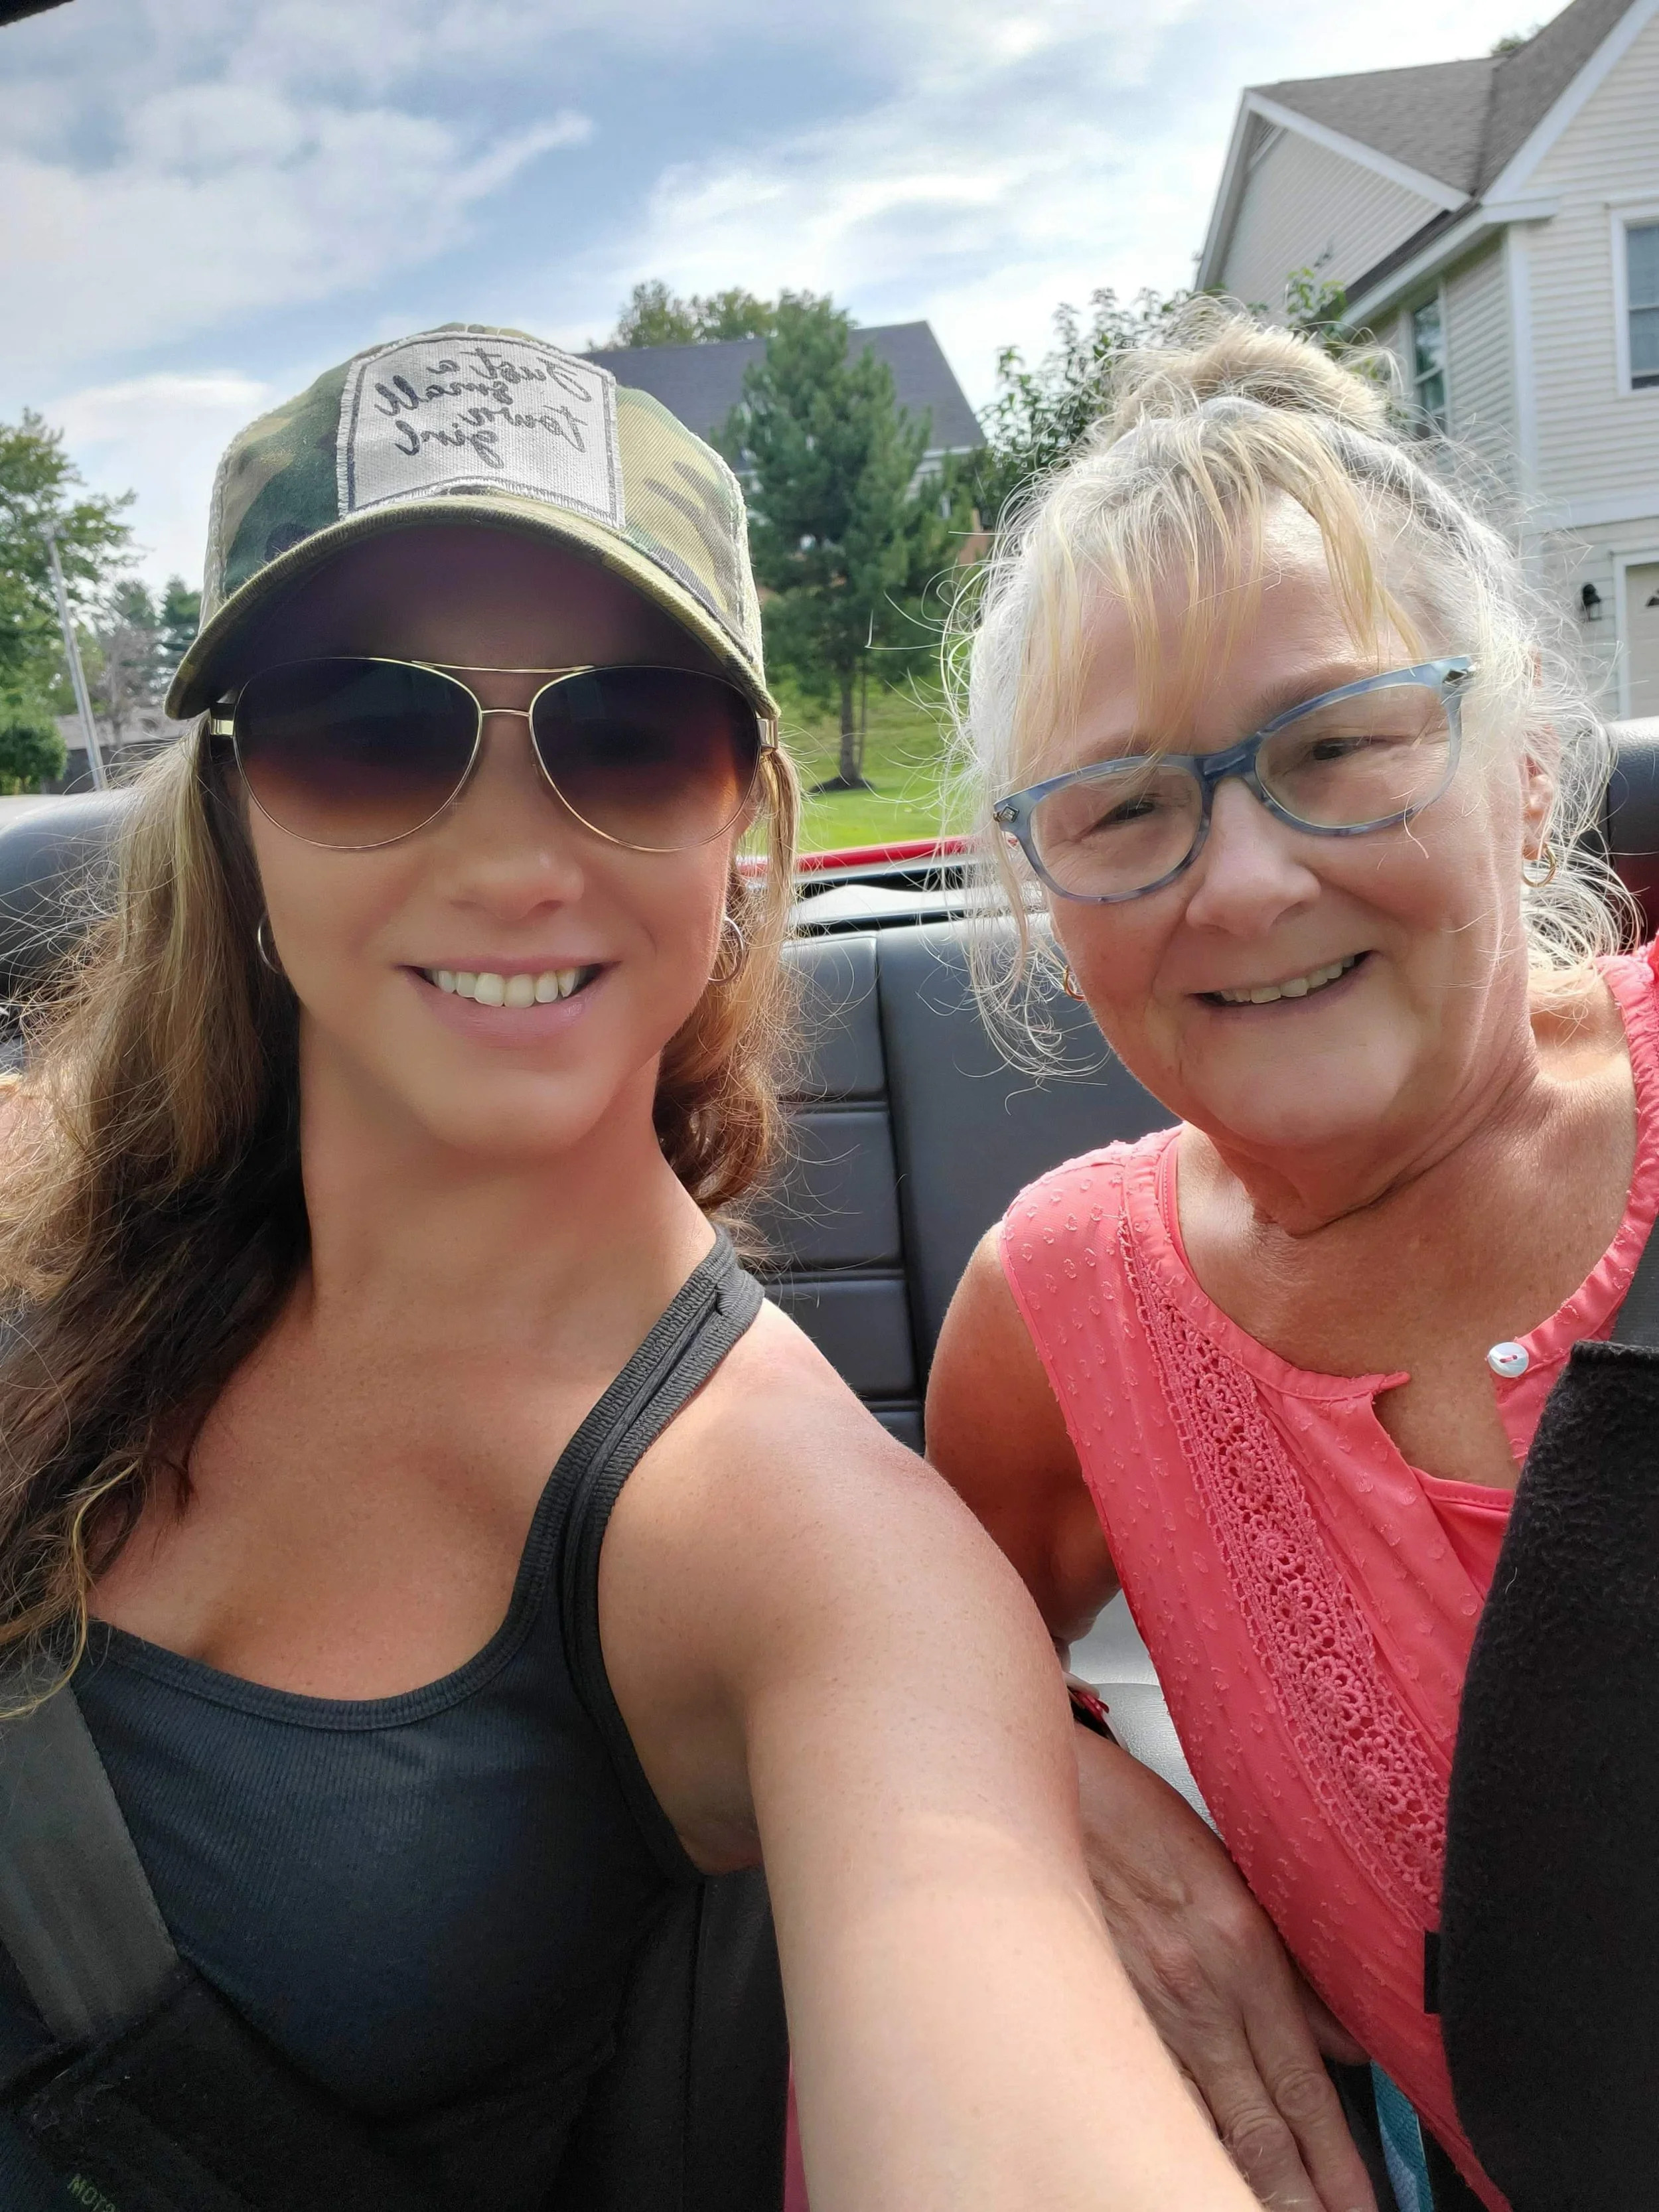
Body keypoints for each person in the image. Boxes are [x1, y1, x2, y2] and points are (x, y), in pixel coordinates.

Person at [0, 325, 1255, 2212]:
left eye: (626, 730)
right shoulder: (66, 1214)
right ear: (237, 809)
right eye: (371, 721)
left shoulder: (811, 1556)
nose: (512, 856)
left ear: (745, 817)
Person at [926, 309, 1650, 2212]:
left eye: (1338, 746)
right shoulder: (1055, 1310)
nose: (1240, 879)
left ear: (1515, 767)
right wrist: (1063, 1793)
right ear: (1039, 899)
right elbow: (909, 1683)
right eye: (1126, 807)